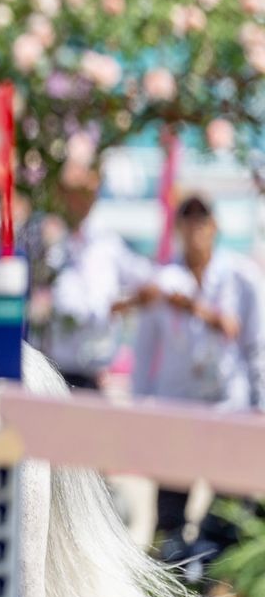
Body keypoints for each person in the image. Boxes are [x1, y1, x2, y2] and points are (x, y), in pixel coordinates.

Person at [130, 194, 265, 559]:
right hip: (178, 407)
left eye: (202, 219)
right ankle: (171, 594)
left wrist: (259, 406)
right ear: (178, 228)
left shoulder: (240, 277)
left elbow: (256, 346)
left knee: (230, 515)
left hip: (229, 408)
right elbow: (143, 352)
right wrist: (138, 408)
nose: (195, 228)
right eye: (188, 220)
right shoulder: (162, 281)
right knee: (170, 516)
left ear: (215, 226)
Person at [34, 168, 152, 390]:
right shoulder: (46, 239)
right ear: (61, 193)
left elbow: (142, 273)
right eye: (76, 192)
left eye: (89, 192)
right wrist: (120, 305)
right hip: (54, 372)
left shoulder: (104, 241)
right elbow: (71, 309)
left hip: (93, 375)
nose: (83, 200)